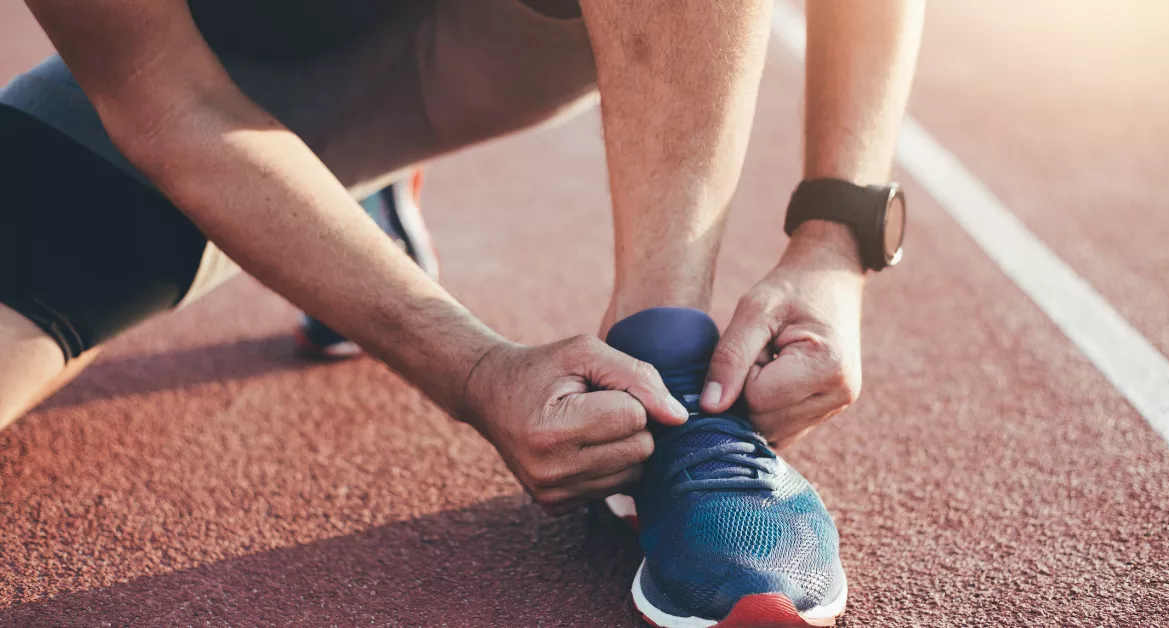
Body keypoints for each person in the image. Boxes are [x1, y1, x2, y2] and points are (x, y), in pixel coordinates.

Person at [0, 0, 924, 625]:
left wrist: (838, 239)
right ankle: (345, 208)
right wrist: (475, 369)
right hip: (225, 77)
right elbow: (166, 103)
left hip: (497, 34)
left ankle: (668, 353)